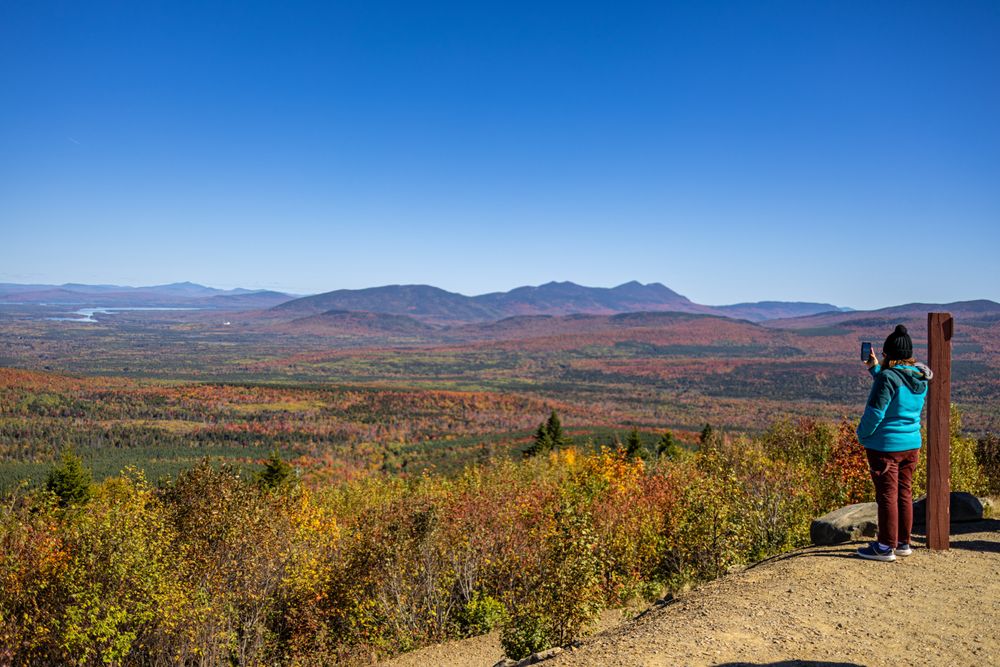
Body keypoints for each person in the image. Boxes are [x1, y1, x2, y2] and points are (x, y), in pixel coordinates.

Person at [855, 324, 933, 562]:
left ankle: (885, 547)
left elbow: (875, 413)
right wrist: (875, 368)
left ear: (888, 353)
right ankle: (902, 543)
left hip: (885, 447)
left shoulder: (888, 377)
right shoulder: (920, 377)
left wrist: (862, 436)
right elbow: (897, 385)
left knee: (886, 496)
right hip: (911, 445)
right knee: (904, 494)